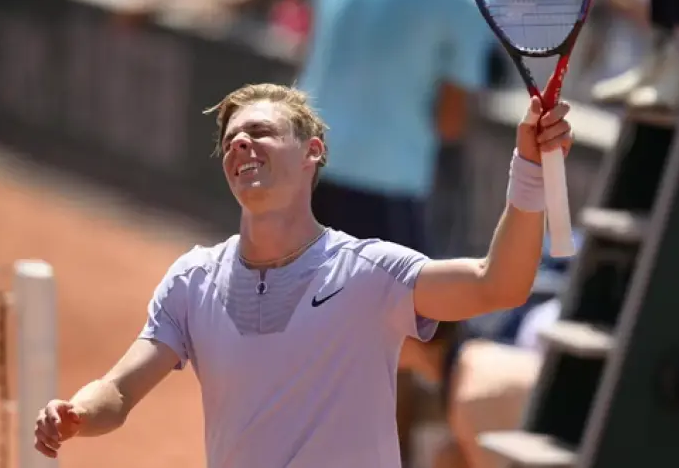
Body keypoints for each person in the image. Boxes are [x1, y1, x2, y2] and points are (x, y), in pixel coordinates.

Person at [32, 83, 573, 467]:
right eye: (231, 141)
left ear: (313, 152)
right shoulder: (191, 281)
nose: (240, 144)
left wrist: (528, 170)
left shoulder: (370, 271)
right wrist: (77, 411)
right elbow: (120, 392)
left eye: (261, 132)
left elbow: (497, 283)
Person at [299, 0, 494, 253]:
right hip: (384, 184)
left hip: (301, 164)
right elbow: (451, 122)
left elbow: (314, 40)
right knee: (390, 308)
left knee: (284, 299)